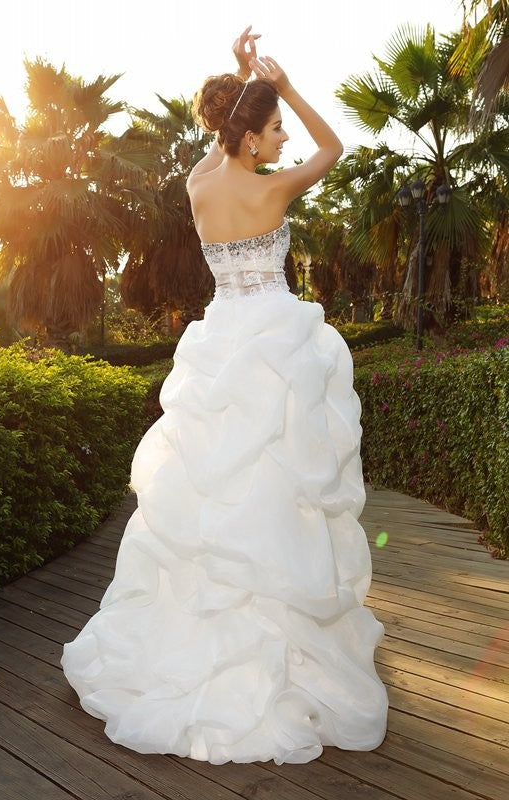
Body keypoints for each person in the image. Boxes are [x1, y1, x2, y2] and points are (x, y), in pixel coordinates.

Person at [61, 26, 389, 765]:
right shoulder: (274, 185)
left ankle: (199, 642)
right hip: (275, 341)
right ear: (250, 139)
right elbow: (332, 150)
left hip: (222, 340)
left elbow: (219, 146)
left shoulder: (200, 182)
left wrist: (248, 81)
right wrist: (290, 85)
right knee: (277, 486)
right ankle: (280, 644)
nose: (280, 142)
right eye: (272, 130)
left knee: (217, 491)